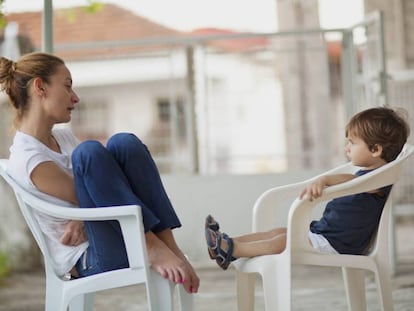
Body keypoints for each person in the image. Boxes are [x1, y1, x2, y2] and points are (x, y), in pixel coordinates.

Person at [0, 52, 199, 293]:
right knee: (89, 152)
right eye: (67, 87)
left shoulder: (62, 137)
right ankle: (150, 245)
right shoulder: (28, 158)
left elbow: (101, 190)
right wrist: (84, 216)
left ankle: (169, 247)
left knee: (124, 144)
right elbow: (94, 194)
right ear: (40, 87)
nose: (75, 98)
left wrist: (81, 216)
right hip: (89, 256)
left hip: (113, 231)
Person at [205, 107, 410, 270]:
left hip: (336, 244)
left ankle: (231, 249)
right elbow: (352, 181)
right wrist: (327, 179)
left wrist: (327, 179)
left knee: (283, 241)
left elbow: (353, 182)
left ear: (375, 150)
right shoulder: (367, 176)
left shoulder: (380, 179)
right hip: (324, 233)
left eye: (352, 143)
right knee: (278, 232)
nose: (347, 148)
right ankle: (225, 243)